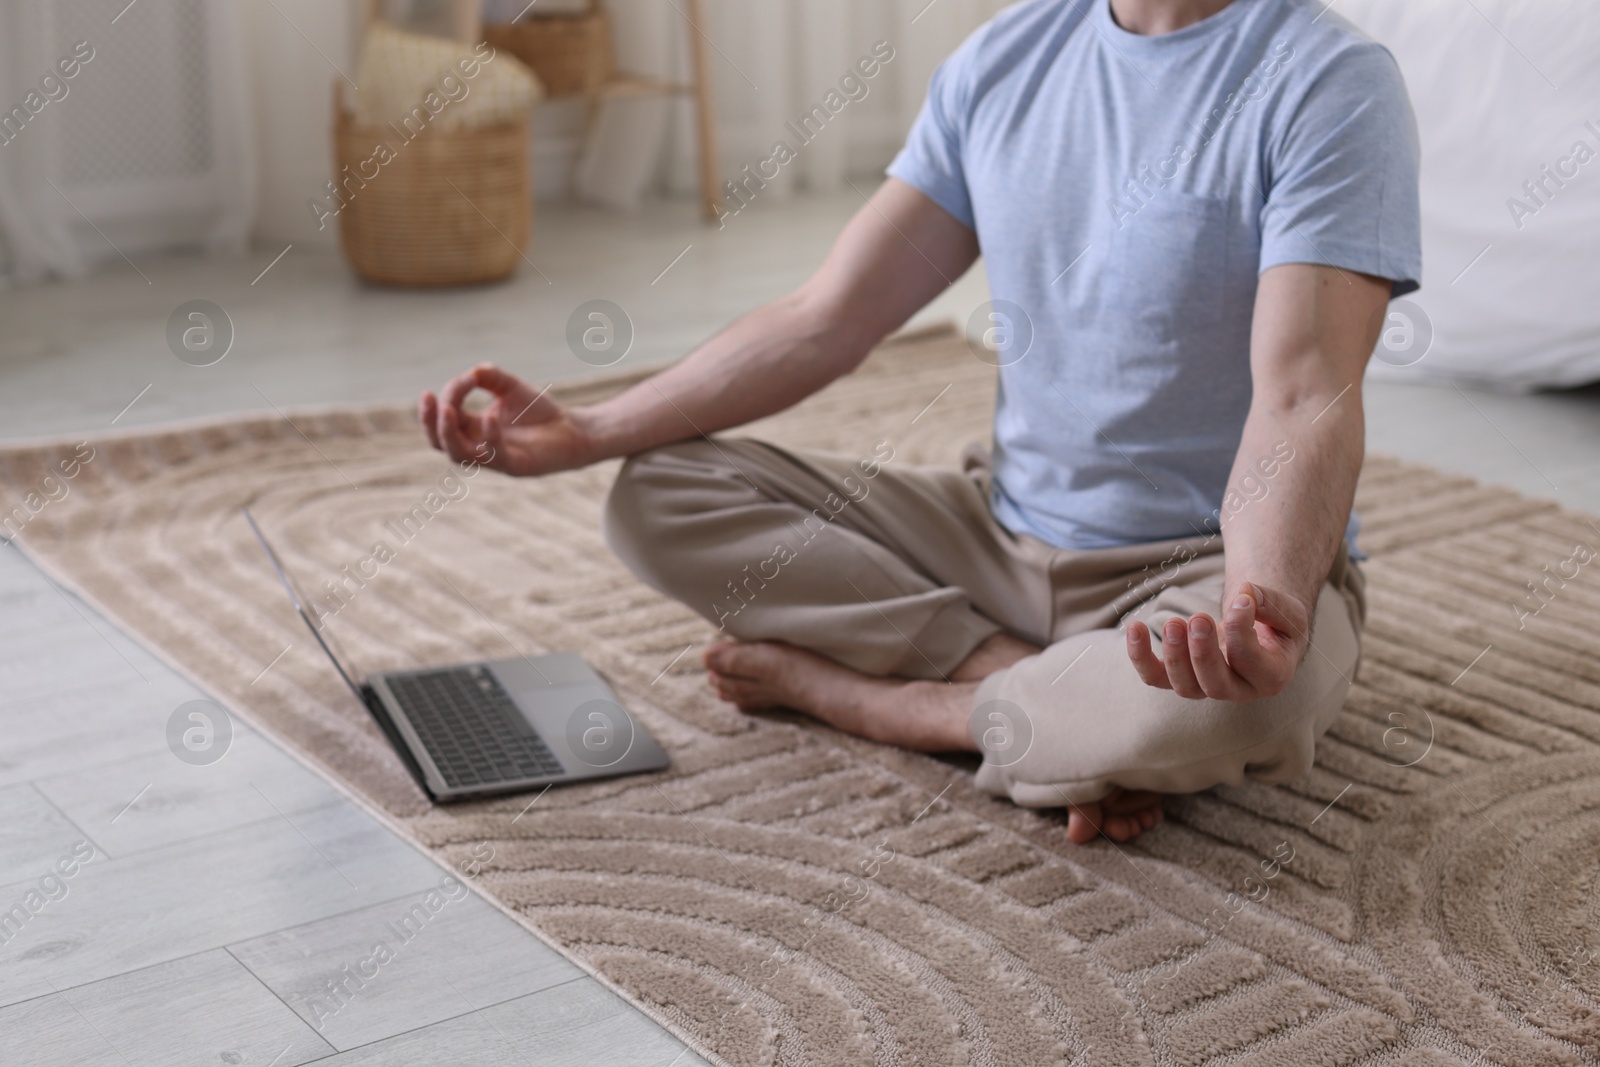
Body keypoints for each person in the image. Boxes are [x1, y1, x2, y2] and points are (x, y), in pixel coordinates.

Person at [419, 0, 1420, 845]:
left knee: (1242, 696)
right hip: (997, 533)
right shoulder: (1003, 60)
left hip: (1204, 569)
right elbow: (825, 319)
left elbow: (1304, 389)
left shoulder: (1326, 81)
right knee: (655, 495)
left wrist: (1263, 597)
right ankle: (1039, 705)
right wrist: (591, 428)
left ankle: (891, 703)